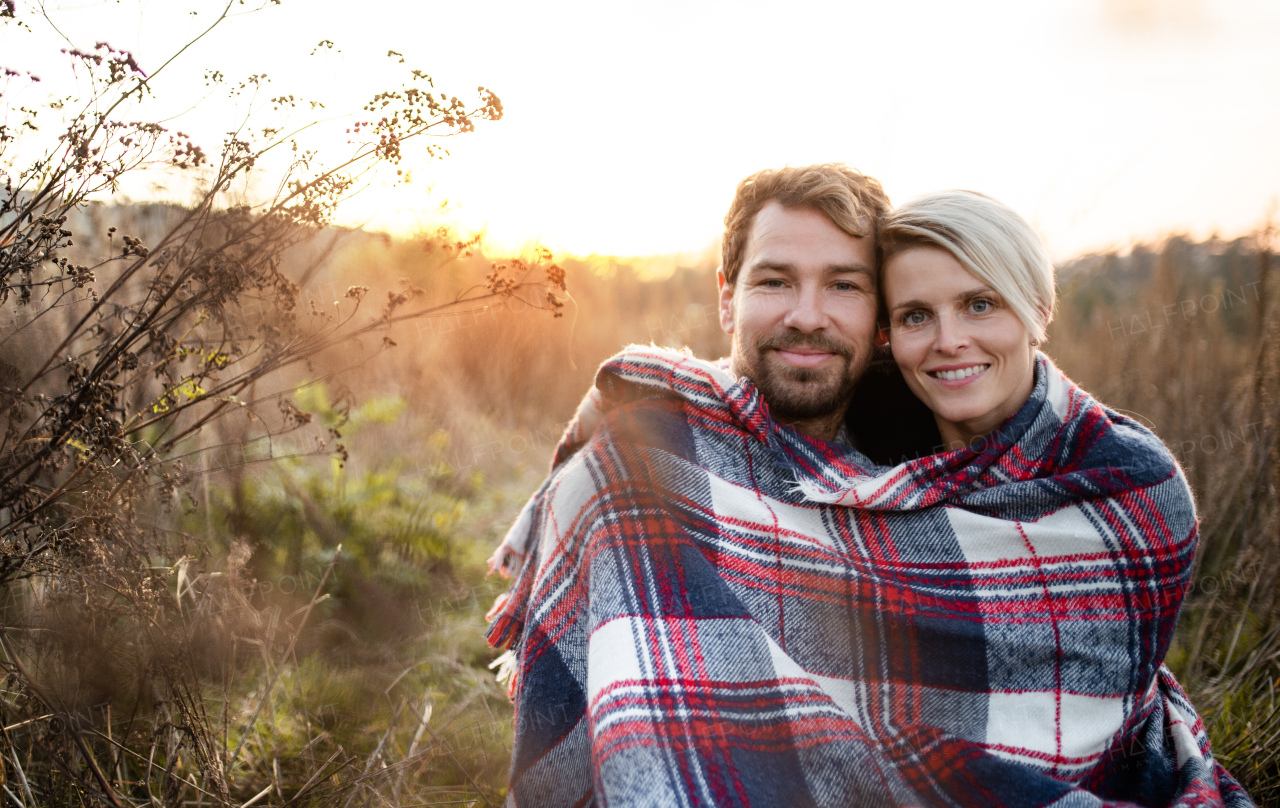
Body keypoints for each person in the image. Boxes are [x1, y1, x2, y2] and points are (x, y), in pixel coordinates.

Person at [485, 170, 1252, 806]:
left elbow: (1092, 692)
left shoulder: (1122, 487)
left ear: (1037, 308)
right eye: (776, 281)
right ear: (728, 296)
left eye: (980, 304)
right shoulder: (657, 454)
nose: (950, 339)